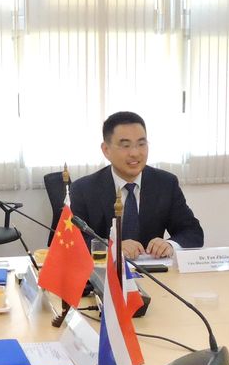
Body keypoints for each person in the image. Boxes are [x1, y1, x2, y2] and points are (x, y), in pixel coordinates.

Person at [69, 111, 203, 259]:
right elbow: (73, 242)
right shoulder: (83, 189)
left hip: (153, 271)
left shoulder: (165, 183)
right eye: (125, 145)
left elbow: (192, 232)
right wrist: (113, 249)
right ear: (106, 150)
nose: (135, 153)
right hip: (105, 271)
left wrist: (170, 245)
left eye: (141, 144)